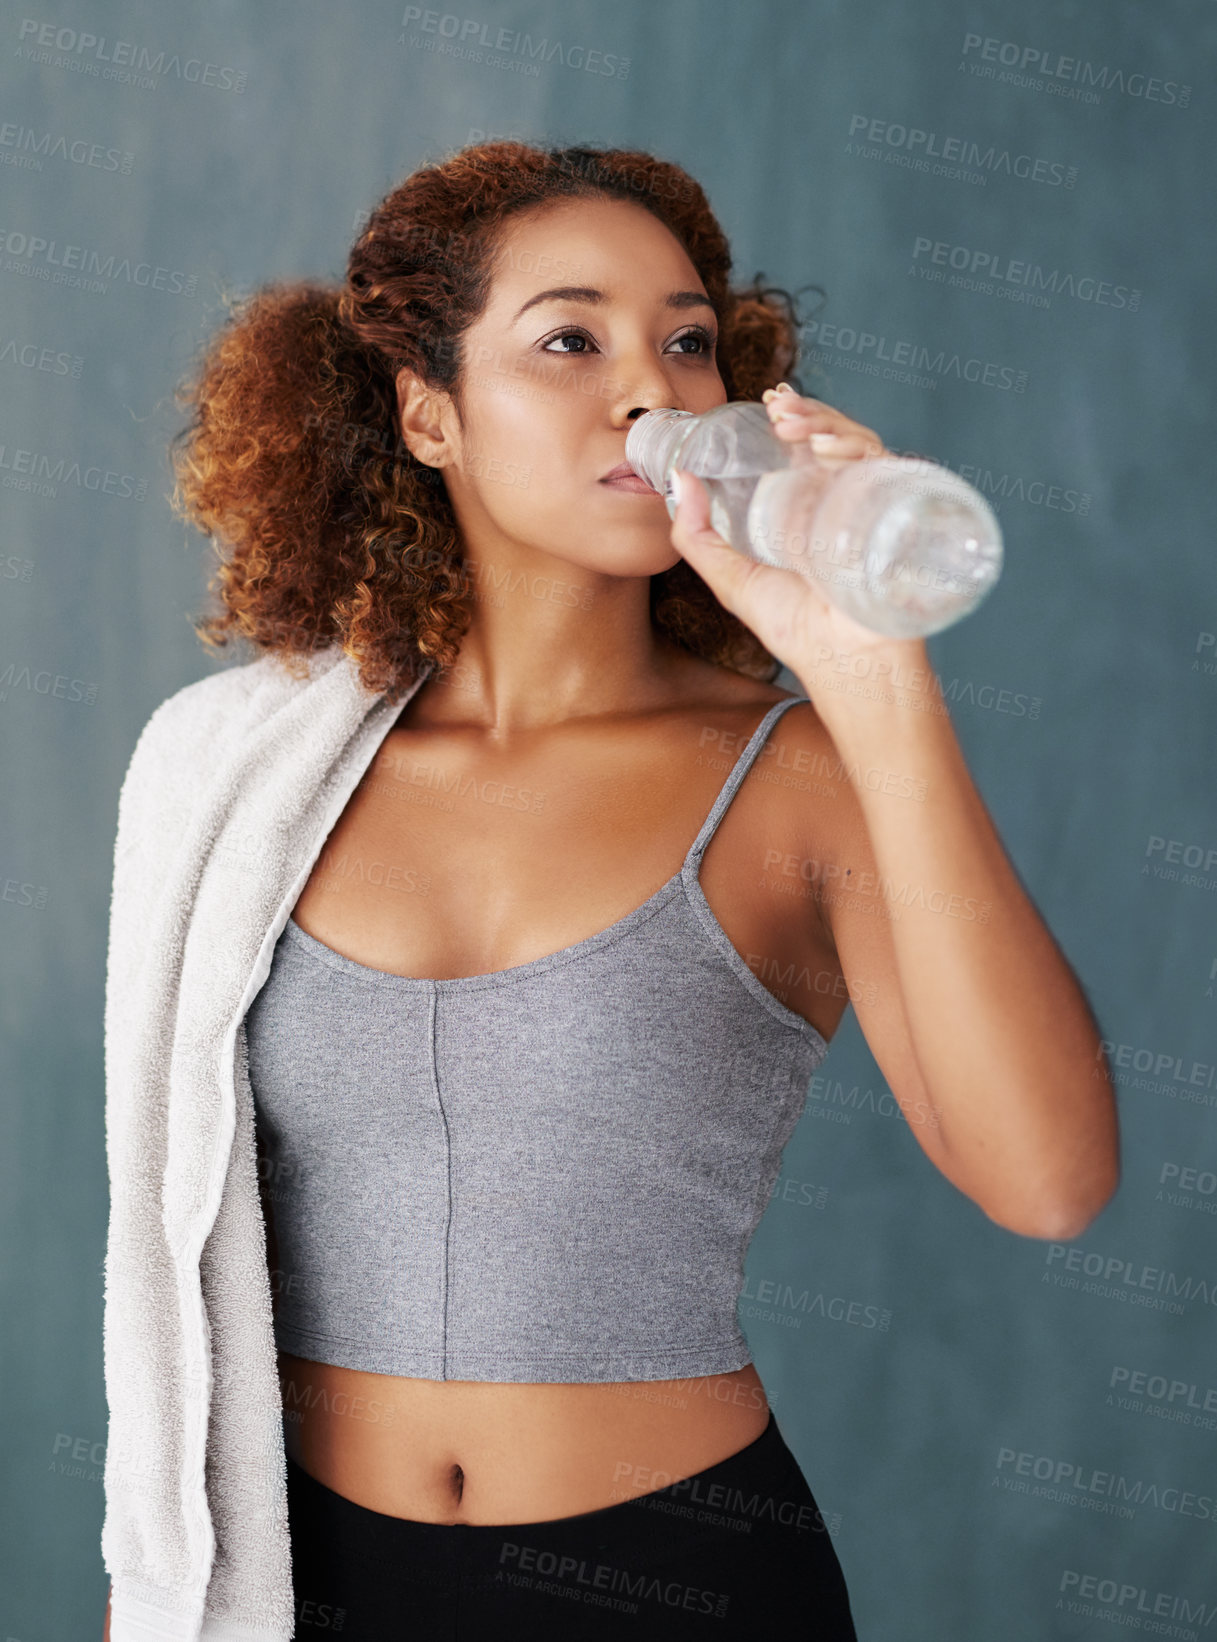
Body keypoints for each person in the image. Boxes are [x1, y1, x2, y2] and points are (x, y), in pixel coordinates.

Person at [102, 140, 1119, 1641]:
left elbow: (1046, 1180)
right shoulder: (238, 776)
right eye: (569, 338)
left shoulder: (795, 775)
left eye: (686, 341)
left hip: (679, 1577)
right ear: (428, 411)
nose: (648, 391)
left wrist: (876, 680)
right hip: (299, 1581)